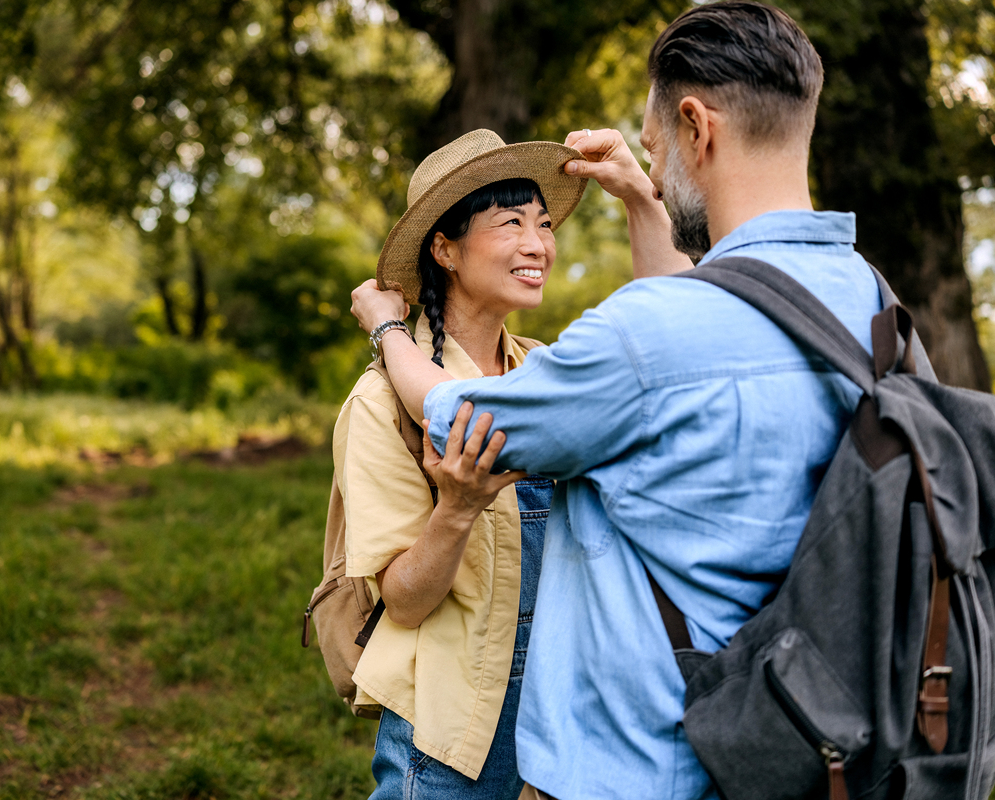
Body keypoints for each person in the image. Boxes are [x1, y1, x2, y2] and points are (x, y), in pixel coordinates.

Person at [350, 3, 893, 798]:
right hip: (809, 731)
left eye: (654, 145)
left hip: (652, 757)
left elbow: (471, 414)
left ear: (696, 129)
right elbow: (692, 333)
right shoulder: (870, 305)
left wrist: (387, 329)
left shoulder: (649, 337)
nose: (539, 241)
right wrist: (646, 198)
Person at [336, 127, 682, 799]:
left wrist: (642, 194)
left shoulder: (544, 372)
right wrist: (457, 509)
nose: (538, 244)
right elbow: (402, 599)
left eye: (545, 224)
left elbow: (675, 334)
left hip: (564, 716)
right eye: (511, 223)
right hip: (454, 728)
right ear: (445, 248)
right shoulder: (381, 402)